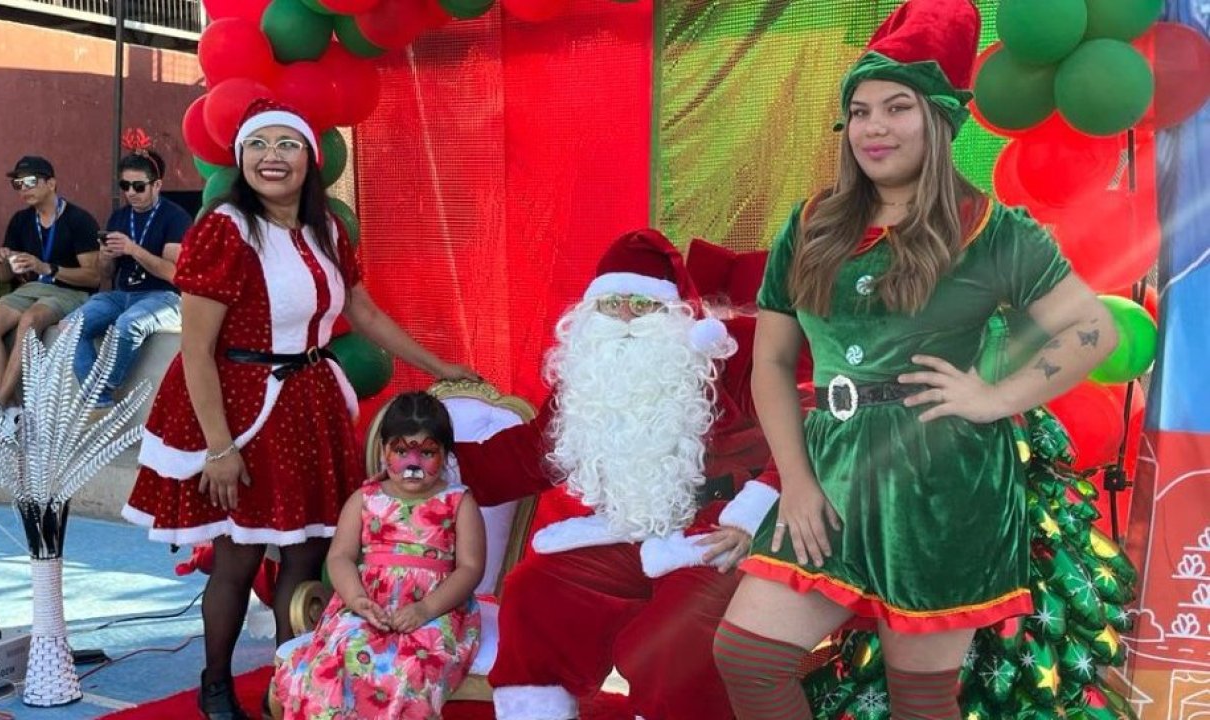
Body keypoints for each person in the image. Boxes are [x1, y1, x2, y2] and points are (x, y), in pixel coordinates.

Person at [712, 1, 1118, 718]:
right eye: (860, 111)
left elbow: (1094, 328)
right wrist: (796, 484)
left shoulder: (992, 231)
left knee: (919, 701)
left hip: (944, 480)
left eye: (897, 108)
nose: (874, 127)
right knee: (747, 655)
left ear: (938, 120)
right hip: (831, 469)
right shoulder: (810, 226)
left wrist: (996, 398)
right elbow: (771, 362)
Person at [120, 99, 477, 720]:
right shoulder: (225, 229)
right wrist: (220, 448)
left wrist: (440, 366)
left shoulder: (327, 228)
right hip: (240, 408)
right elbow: (197, 350)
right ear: (240, 158)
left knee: (307, 553)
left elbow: (363, 312)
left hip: (310, 403)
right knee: (238, 556)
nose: (272, 157)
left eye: (287, 144)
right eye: (259, 145)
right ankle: (215, 685)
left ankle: (292, 685)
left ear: (310, 158)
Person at [453, 229, 784, 720]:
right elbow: (530, 455)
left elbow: (811, 428)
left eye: (641, 305)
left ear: (674, 311)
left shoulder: (734, 358)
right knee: (535, 590)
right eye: (611, 305)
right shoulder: (595, 375)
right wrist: (435, 461)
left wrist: (752, 514)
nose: (625, 317)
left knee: (668, 640)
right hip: (634, 529)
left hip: (721, 533)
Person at [274, 391, 485, 720]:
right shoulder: (365, 497)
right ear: (384, 450)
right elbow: (340, 557)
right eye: (401, 451)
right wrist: (357, 600)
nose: (413, 464)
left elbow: (471, 568)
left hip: (435, 609)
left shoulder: (459, 501)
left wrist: (425, 609)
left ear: (445, 454)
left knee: (410, 667)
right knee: (343, 653)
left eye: (427, 452)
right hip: (368, 604)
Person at [67, 150, 192, 408]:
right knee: (71, 326)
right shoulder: (119, 217)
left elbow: (173, 274)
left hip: (164, 296)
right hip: (122, 294)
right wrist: (105, 256)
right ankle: (99, 400)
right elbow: (106, 275)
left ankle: (100, 389)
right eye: (125, 186)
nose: (131, 193)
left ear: (157, 185)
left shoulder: (176, 217)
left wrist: (133, 249)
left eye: (138, 186)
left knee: (128, 325)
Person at [0, 155, 100, 420]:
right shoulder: (21, 220)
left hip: (70, 290)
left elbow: (93, 277)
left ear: (51, 183)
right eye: (18, 184)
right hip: (32, 288)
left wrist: (48, 268)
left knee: (31, 319)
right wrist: (1, 260)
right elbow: (3, 278)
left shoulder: (79, 219)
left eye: (30, 181)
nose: (23, 188)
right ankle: (12, 410)